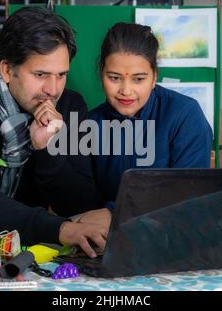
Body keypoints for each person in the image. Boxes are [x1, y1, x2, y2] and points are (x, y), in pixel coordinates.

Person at [0, 7, 108, 258]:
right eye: (40, 74)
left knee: (100, 220)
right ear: (7, 70)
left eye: (62, 75)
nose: (53, 90)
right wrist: (59, 229)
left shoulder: (70, 105)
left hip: (43, 235)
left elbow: (81, 202)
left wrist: (47, 151)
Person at [89, 22, 213, 202]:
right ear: (102, 75)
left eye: (138, 79)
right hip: (102, 230)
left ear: (154, 77)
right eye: (114, 78)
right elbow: (81, 197)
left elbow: (187, 197)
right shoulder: (91, 123)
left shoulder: (185, 115)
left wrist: (111, 213)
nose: (126, 90)